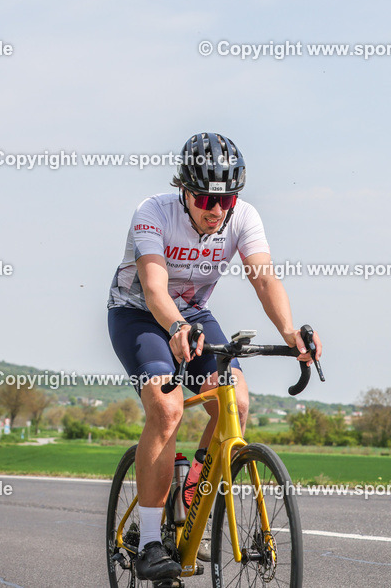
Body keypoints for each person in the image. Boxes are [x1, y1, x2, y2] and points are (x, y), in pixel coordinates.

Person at [107, 132, 322, 581]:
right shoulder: (153, 212)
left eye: (226, 200)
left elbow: (264, 279)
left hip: (194, 315)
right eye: (206, 198)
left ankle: (190, 497)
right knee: (167, 408)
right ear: (184, 190)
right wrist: (175, 328)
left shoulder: (244, 217)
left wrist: (290, 332)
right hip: (138, 315)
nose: (216, 210)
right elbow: (154, 289)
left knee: (236, 404)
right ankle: (149, 542)